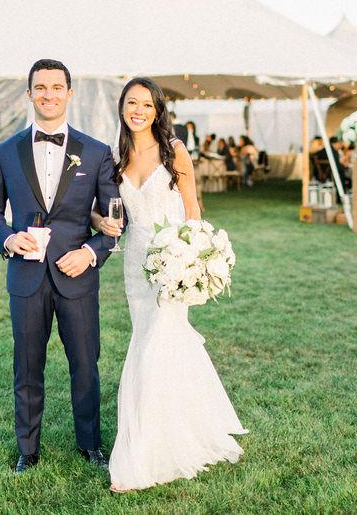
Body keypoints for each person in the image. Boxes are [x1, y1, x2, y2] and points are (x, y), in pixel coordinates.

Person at [91, 77, 246, 492]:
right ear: (122, 108)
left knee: (155, 344)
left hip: (171, 261)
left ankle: (142, 456)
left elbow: (193, 208)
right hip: (135, 265)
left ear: (158, 111)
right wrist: (99, 221)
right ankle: (189, 425)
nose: (138, 110)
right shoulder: (113, 156)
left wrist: (195, 256)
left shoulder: (174, 151)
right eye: (131, 103)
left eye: (146, 104)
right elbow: (99, 209)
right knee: (154, 339)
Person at [0, 59, 121, 474]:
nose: (49, 95)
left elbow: (114, 219)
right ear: (29, 94)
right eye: (40, 87)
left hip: (77, 278)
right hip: (25, 277)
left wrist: (92, 252)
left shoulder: (95, 152)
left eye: (57, 87)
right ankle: (28, 447)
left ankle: (90, 443)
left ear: (69, 93)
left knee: (85, 365)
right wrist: (6, 237)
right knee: (27, 366)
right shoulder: (6, 152)